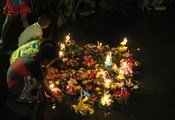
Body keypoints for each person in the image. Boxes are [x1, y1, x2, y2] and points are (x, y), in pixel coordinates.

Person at [6, 40, 62, 106]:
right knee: (40, 81)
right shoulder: (35, 65)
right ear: (46, 60)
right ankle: (22, 97)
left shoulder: (36, 54)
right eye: (53, 61)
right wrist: (57, 98)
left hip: (13, 76)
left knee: (43, 74)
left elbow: (43, 70)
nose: (52, 63)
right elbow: (47, 89)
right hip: (14, 85)